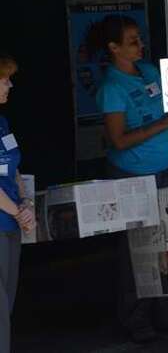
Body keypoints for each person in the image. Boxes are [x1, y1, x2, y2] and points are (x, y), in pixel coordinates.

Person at [92, 15, 168, 343]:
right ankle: (136, 318)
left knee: (166, 244)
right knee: (136, 250)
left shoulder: (149, 71)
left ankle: (167, 311)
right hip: (133, 174)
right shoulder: (112, 87)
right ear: (113, 48)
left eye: (140, 38)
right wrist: (162, 125)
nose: (140, 45)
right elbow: (118, 141)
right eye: (132, 41)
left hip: (167, 168)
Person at [0, 54, 35, 353]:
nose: (9, 85)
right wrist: (19, 212)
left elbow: (14, 169)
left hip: (12, 222)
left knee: (7, 302)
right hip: (4, 220)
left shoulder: (2, 122)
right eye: (4, 79)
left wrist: (25, 203)